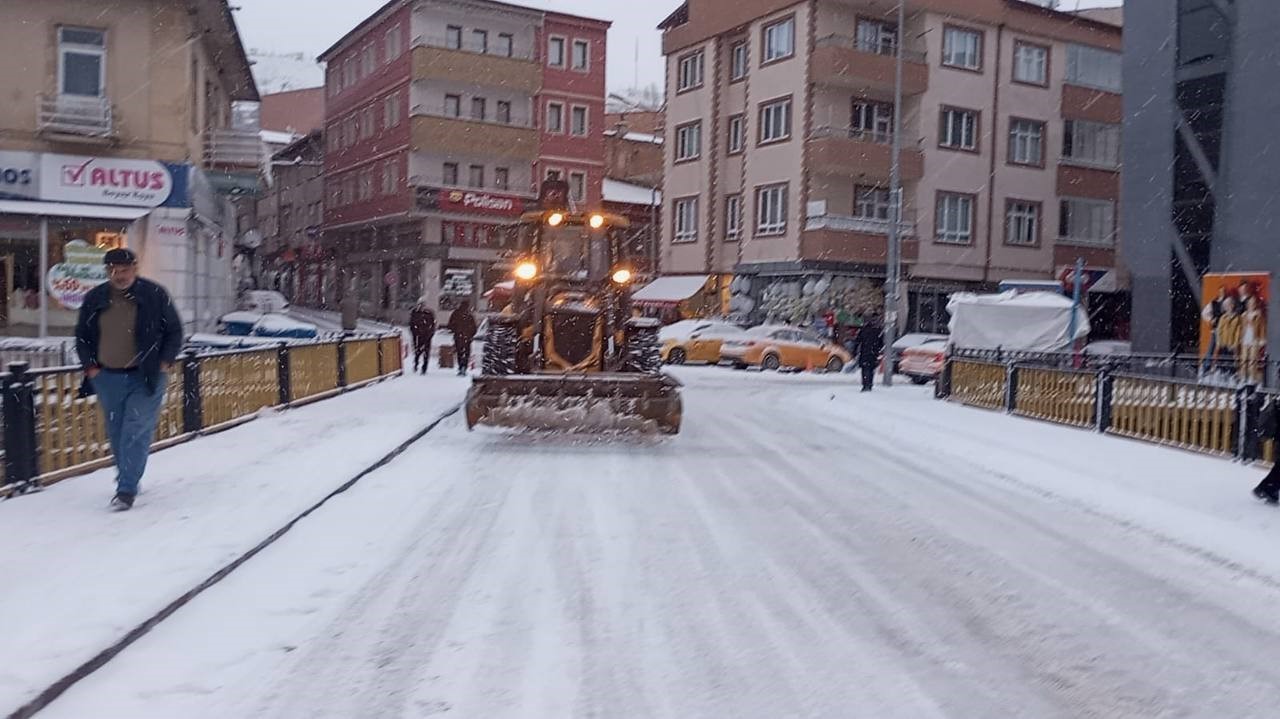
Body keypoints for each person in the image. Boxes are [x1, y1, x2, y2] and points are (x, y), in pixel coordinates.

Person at [74, 248, 183, 511]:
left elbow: (174, 330)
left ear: (134, 269)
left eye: (124, 270)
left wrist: (165, 361)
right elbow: (83, 335)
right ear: (106, 271)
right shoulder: (96, 297)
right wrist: (90, 367)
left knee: (135, 429)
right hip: (107, 376)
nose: (119, 276)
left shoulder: (154, 294)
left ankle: (126, 489)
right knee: (117, 430)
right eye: (113, 271)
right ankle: (130, 476)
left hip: (145, 376)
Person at [851, 314, 884, 392]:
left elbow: (857, 342)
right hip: (873, 353)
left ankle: (865, 384)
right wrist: (878, 351)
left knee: (865, 369)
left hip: (864, 352)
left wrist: (854, 352)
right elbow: (881, 343)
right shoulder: (877, 331)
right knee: (871, 369)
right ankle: (869, 384)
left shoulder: (863, 330)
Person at [447, 299, 478, 376]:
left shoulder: (455, 314)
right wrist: (471, 335)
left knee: (459, 352)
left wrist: (455, 331)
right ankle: (464, 366)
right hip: (467, 337)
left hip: (458, 336)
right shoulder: (469, 315)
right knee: (466, 352)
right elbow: (474, 327)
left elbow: (450, 325)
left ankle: (461, 366)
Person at [409, 297, 436, 374]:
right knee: (420, 351)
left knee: (422, 351)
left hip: (424, 335)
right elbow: (412, 324)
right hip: (421, 335)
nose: (421, 306)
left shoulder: (425, 313)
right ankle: (418, 364)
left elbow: (432, 325)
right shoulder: (417, 313)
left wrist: (430, 333)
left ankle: (423, 366)